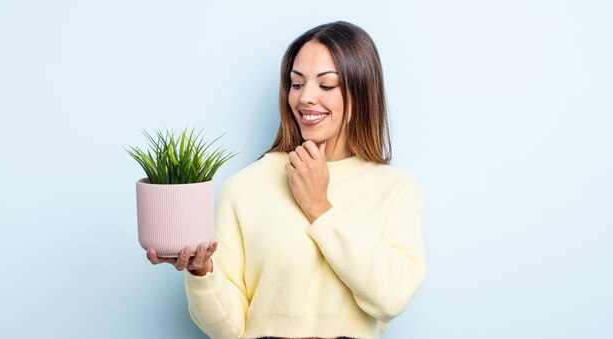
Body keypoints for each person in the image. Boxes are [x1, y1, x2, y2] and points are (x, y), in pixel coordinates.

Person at [147, 21, 426, 339]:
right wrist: (201, 272)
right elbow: (230, 330)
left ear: (361, 90)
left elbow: (391, 299)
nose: (306, 97)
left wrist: (318, 205)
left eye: (326, 85)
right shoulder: (244, 187)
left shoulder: (395, 190)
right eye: (296, 84)